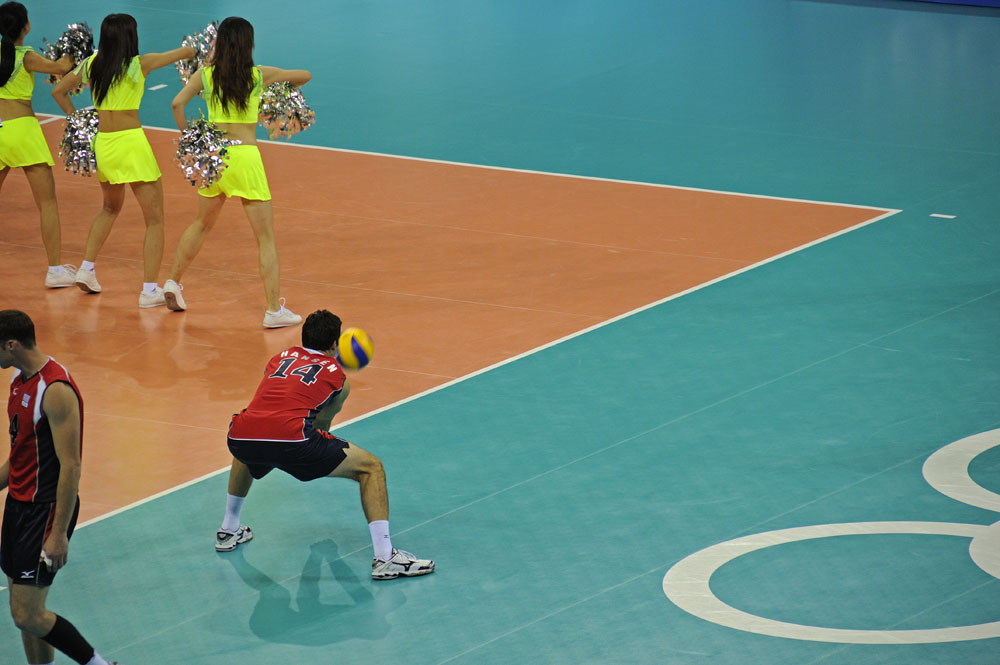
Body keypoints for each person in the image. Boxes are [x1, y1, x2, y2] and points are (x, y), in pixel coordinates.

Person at [219, 309, 435, 581]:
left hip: (239, 434)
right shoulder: (337, 378)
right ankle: (385, 557)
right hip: (294, 441)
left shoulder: (278, 359)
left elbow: (269, 407)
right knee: (371, 468)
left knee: (250, 439)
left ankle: (228, 529)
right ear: (335, 345)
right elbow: (320, 430)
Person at [164, 16, 304, 328]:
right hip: (245, 158)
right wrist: (277, 85)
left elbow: (177, 103)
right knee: (265, 238)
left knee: (201, 224)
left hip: (215, 157)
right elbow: (303, 76)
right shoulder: (257, 75)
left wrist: (190, 137)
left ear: (221, 44)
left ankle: (172, 282)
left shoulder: (206, 75)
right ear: (248, 44)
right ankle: (272, 310)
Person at [0, 310, 119, 665]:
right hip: (18, 507)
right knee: (24, 612)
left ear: (11, 344)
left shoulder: (56, 390)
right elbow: (19, 456)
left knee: (28, 615)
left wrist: (59, 533)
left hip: (46, 510)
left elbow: (71, 466)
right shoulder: (19, 382)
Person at [52, 14, 195, 308]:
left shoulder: (92, 63)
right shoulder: (139, 64)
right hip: (132, 144)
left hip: (104, 143)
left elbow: (58, 90)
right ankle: (148, 291)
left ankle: (86, 269)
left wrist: (77, 119)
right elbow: (185, 52)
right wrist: (198, 48)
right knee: (155, 220)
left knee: (108, 207)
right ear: (131, 37)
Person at [0, 2, 77, 288]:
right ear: (26, 26)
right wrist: (75, 44)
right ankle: (55, 271)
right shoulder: (27, 56)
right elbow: (61, 67)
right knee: (47, 203)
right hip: (22, 132)